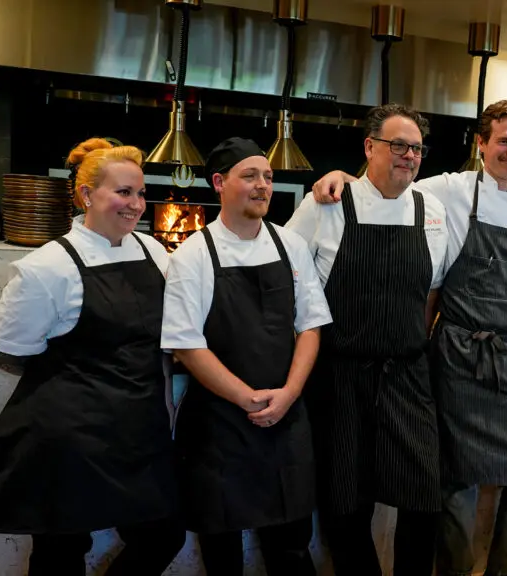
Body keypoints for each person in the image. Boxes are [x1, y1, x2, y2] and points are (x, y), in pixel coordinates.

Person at [310, 100, 507, 576]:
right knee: (450, 482)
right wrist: (335, 175)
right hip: (455, 349)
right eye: (502, 140)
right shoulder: (445, 191)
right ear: (480, 144)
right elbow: (385, 188)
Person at [0, 138, 184, 575]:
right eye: (123, 192)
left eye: (141, 193)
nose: (136, 204)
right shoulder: (47, 267)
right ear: (87, 194)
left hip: (138, 432)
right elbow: (7, 352)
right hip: (68, 439)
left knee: (164, 534)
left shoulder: (154, 252)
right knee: (60, 554)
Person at [286, 103, 449, 576]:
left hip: (407, 372)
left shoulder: (431, 208)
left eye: (416, 148)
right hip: (339, 374)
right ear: (369, 147)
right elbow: (291, 277)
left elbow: (430, 290)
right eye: (397, 145)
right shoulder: (327, 204)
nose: (408, 156)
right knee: (345, 500)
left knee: (423, 496)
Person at [161, 137, 330, 576]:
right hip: (220, 424)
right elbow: (186, 343)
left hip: (286, 417)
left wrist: (289, 393)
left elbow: (311, 325)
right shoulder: (193, 254)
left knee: (292, 547)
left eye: (269, 178)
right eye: (250, 176)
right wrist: (246, 399)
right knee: (222, 551)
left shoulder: (290, 246)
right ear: (219, 183)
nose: (263, 186)